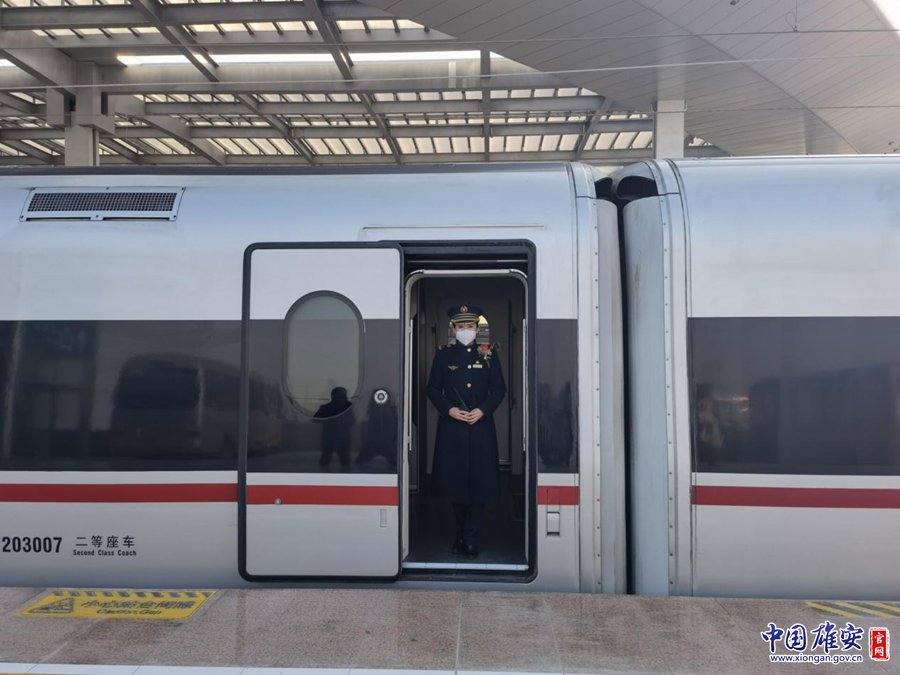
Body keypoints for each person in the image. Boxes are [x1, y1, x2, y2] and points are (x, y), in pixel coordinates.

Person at [426, 304, 506, 559]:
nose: (465, 330)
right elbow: (432, 389)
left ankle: (471, 537)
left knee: (479, 485)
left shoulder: (488, 354)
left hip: (481, 428)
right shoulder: (443, 356)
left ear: (476, 329)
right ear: (453, 329)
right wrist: (448, 409)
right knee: (455, 484)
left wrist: (483, 410)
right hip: (453, 430)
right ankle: (459, 534)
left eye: (469, 326)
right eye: (460, 326)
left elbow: (499, 390)